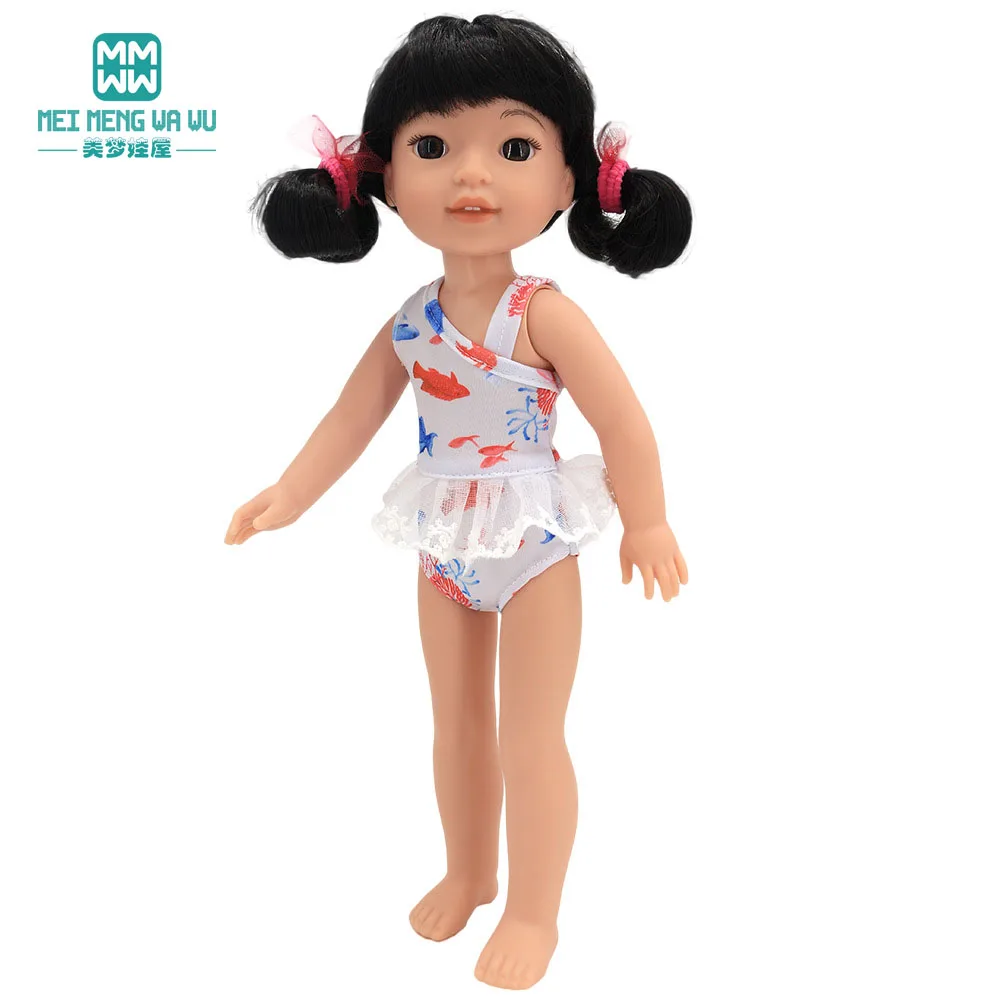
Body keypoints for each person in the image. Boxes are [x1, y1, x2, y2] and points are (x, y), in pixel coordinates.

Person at [224, 14, 691, 990]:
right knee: (456, 726)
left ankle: (533, 910)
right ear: (386, 177)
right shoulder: (411, 323)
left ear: (567, 181)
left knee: (530, 736)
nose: (471, 177)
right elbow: (350, 419)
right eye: (433, 147)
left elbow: (623, 421)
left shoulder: (542, 314)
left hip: (534, 546)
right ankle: (471, 871)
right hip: (442, 542)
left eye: (514, 148)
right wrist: (289, 494)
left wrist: (646, 520)